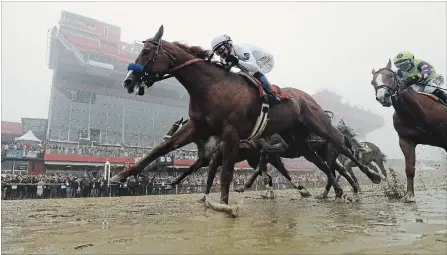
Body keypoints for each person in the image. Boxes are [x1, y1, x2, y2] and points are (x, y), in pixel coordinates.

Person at [210, 34, 281, 104]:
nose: (221, 54)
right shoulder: (223, 58)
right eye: (218, 53)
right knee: (240, 76)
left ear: (228, 45)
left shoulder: (241, 50)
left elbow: (255, 68)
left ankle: (273, 95)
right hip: (250, 64)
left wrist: (238, 61)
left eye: (221, 50)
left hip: (265, 60)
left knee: (254, 73)